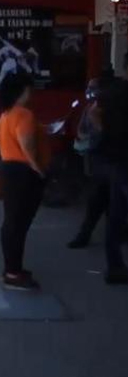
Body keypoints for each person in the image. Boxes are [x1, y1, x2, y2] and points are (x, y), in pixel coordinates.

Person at [0, 73, 49, 290]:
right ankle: (13, 272)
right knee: (18, 224)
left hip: (9, 170)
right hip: (23, 173)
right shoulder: (24, 115)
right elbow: (27, 145)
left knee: (12, 223)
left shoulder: (6, 115)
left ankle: (12, 268)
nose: (32, 94)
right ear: (21, 92)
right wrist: (38, 169)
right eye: (29, 89)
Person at [94, 69, 128, 284]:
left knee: (115, 215)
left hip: (113, 158)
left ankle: (114, 267)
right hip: (121, 159)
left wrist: (105, 130)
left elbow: (93, 112)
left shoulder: (112, 91)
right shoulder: (116, 90)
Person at [68, 78, 108, 249]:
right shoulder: (88, 108)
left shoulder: (107, 109)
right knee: (96, 201)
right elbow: (82, 129)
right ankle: (84, 235)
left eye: (94, 88)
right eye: (89, 87)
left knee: (104, 201)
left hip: (110, 160)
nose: (90, 91)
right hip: (98, 160)